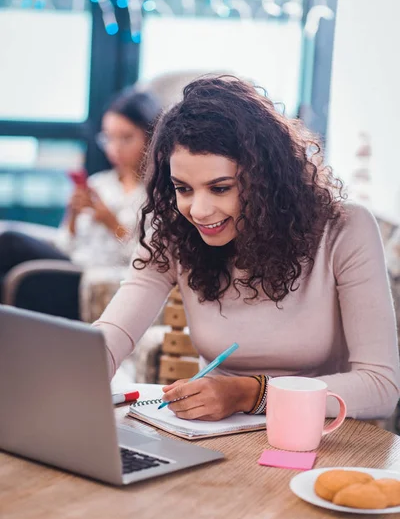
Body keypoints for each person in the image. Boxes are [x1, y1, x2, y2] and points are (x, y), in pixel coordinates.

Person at [94, 75, 400, 421]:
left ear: (266, 181)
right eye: (183, 188)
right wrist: (76, 369)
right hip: (215, 436)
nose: (199, 210)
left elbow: (381, 387)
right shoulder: (175, 233)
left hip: (323, 435)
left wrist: (249, 394)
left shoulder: (345, 229)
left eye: (221, 188)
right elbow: (113, 334)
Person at [0, 87, 161, 319]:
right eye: (108, 137)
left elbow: (144, 259)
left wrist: (110, 222)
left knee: (9, 242)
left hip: (98, 277)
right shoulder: (99, 183)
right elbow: (65, 245)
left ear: (151, 136)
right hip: (71, 264)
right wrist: (73, 217)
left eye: (125, 138)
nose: (114, 148)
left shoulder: (155, 196)